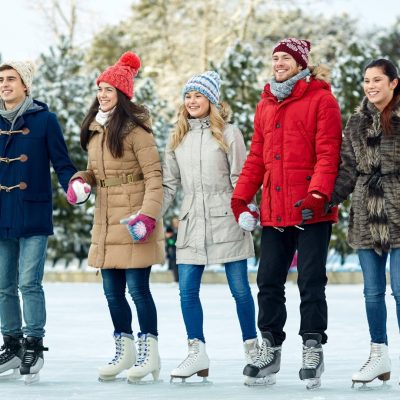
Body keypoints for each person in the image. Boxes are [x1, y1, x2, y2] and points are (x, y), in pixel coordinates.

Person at [231, 38, 342, 388]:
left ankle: (312, 345)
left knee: (310, 281)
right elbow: (256, 157)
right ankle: (271, 347)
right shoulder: (266, 104)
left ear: (300, 63)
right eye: (275, 57)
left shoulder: (322, 99)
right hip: (275, 210)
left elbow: (328, 153)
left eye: (285, 58)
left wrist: (318, 193)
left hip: (311, 210)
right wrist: (241, 197)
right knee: (268, 282)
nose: (278, 63)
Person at [67, 52, 165, 383]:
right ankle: (124, 350)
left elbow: (155, 177)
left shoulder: (138, 131)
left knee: (138, 289)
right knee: (111, 291)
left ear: (122, 95)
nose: (103, 95)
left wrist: (148, 217)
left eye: (109, 90)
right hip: (107, 218)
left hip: (134, 218)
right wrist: (81, 182)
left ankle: (149, 353)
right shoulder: (95, 131)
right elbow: (95, 172)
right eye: (100, 89)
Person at [162, 70, 258, 383]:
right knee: (186, 291)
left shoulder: (230, 133)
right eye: (188, 96)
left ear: (211, 100)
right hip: (191, 221)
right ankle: (196, 353)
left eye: (198, 95)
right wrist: (151, 216)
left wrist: (246, 209)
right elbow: (169, 184)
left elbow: (241, 178)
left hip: (227, 218)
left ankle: (252, 349)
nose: (192, 101)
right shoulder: (177, 136)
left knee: (240, 289)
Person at [0, 60, 77, 383]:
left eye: (11, 79)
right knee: (3, 285)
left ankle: (34, 343)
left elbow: (62, 162)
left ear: (25, 85)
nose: (4, 84)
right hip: (2, 211)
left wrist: (74, 184)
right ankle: (12, 344)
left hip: (32, 210)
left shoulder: (45, 120)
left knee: (29, 282)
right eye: (1, 80)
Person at [330, 59, 400, 388]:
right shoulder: (356, 122)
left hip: (399, 211)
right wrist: (325, 198)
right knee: (372, 293)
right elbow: (346, 168)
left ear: (393, 83)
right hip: (365, 214)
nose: (370, 86)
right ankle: (378, 355)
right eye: (366, 80)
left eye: (377, 80)